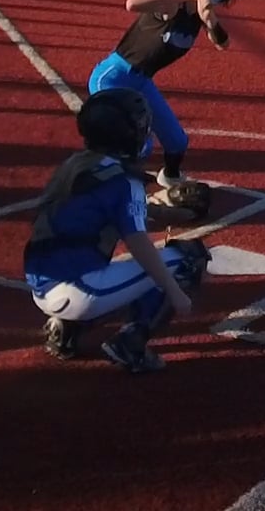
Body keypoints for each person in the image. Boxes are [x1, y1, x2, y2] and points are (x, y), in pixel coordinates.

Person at [24, 88, 210, 374]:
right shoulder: (124, 181)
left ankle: (66, 329)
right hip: (80, 289)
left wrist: (166, 212)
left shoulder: (76, 164)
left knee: (103, 261)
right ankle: (131, 342)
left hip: (41, 284)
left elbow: (96, 210)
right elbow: (138, 241)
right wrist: (175, 293)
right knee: (188, 258)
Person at [88, 0, 239, 188]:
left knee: (177, 141)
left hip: (140, 82)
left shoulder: (201, 13)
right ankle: (105, 183)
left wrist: (210, 21)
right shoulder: (172, 5)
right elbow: (131, 4)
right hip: (113, 78)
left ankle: (171, 176)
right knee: (138, 144)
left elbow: (223, 44)